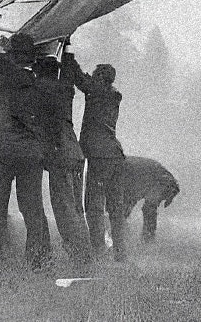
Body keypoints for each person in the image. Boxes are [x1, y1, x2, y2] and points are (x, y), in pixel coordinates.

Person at [0, 31, 52, 268]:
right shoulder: (41, 85)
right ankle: (39, 262)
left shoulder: (10, 76)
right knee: (33, 208)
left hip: (1, 152)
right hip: (30, 154)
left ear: (14, 57)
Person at [33, 54, 93, 265]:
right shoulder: (65, 89)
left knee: (63, 208)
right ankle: (85, 253)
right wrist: (67, 51)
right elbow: (69, 69)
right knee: (77, 207)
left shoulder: (40, 90)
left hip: (59, 156)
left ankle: (79, 257)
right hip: (75, 154)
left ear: (39, 72)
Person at [68, 57, 129, 261]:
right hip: (115, 155)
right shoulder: (112, 95)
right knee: (115, 207)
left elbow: (79, 78)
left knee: (94, 207)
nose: (92, 78)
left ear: (101, 78)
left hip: (100, 157)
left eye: (95, 75)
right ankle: (120, 254)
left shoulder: (99, 92)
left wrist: (68, 54)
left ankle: (99, 252)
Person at [118, 155, 180, 244]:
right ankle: (144, 241)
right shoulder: (155, 180)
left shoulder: (160, 180)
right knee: (123, 211)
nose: (160, 202)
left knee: (143, 209)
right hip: (129, 172)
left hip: (138, 173)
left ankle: (145, 241)